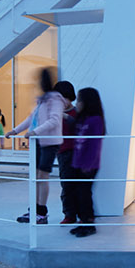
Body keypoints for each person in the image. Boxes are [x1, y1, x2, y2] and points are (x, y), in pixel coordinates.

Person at [10, 70, 65, 224]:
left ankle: (41, 211)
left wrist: (35, 132)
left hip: (49, 143)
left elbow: (54, 120)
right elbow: (31, 118)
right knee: (35, 177)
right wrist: (15, 131)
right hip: (39, 142)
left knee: (42, 176)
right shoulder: (42, 100)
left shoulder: (55, 99)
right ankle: (34, 210)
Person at [68, 87, 105, 237]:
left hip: (88, 164)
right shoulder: (81, 118)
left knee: (84, 194)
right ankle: (82, 221)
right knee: (77, 193)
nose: (77, 103)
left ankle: (89, 223)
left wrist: (88, 164)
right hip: (77, 162)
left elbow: (95, 145)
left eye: (79, 99)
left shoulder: (95, 120)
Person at [52, 81, 77, 224]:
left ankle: (81, 214)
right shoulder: (54, 114)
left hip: (78, 153)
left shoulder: (76, 112)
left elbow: (78, 125)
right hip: (63, 153)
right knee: (66, 185)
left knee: (80, 185)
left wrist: (64, 116)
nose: (63, 102)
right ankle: (69, 214)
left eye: (65, 99)